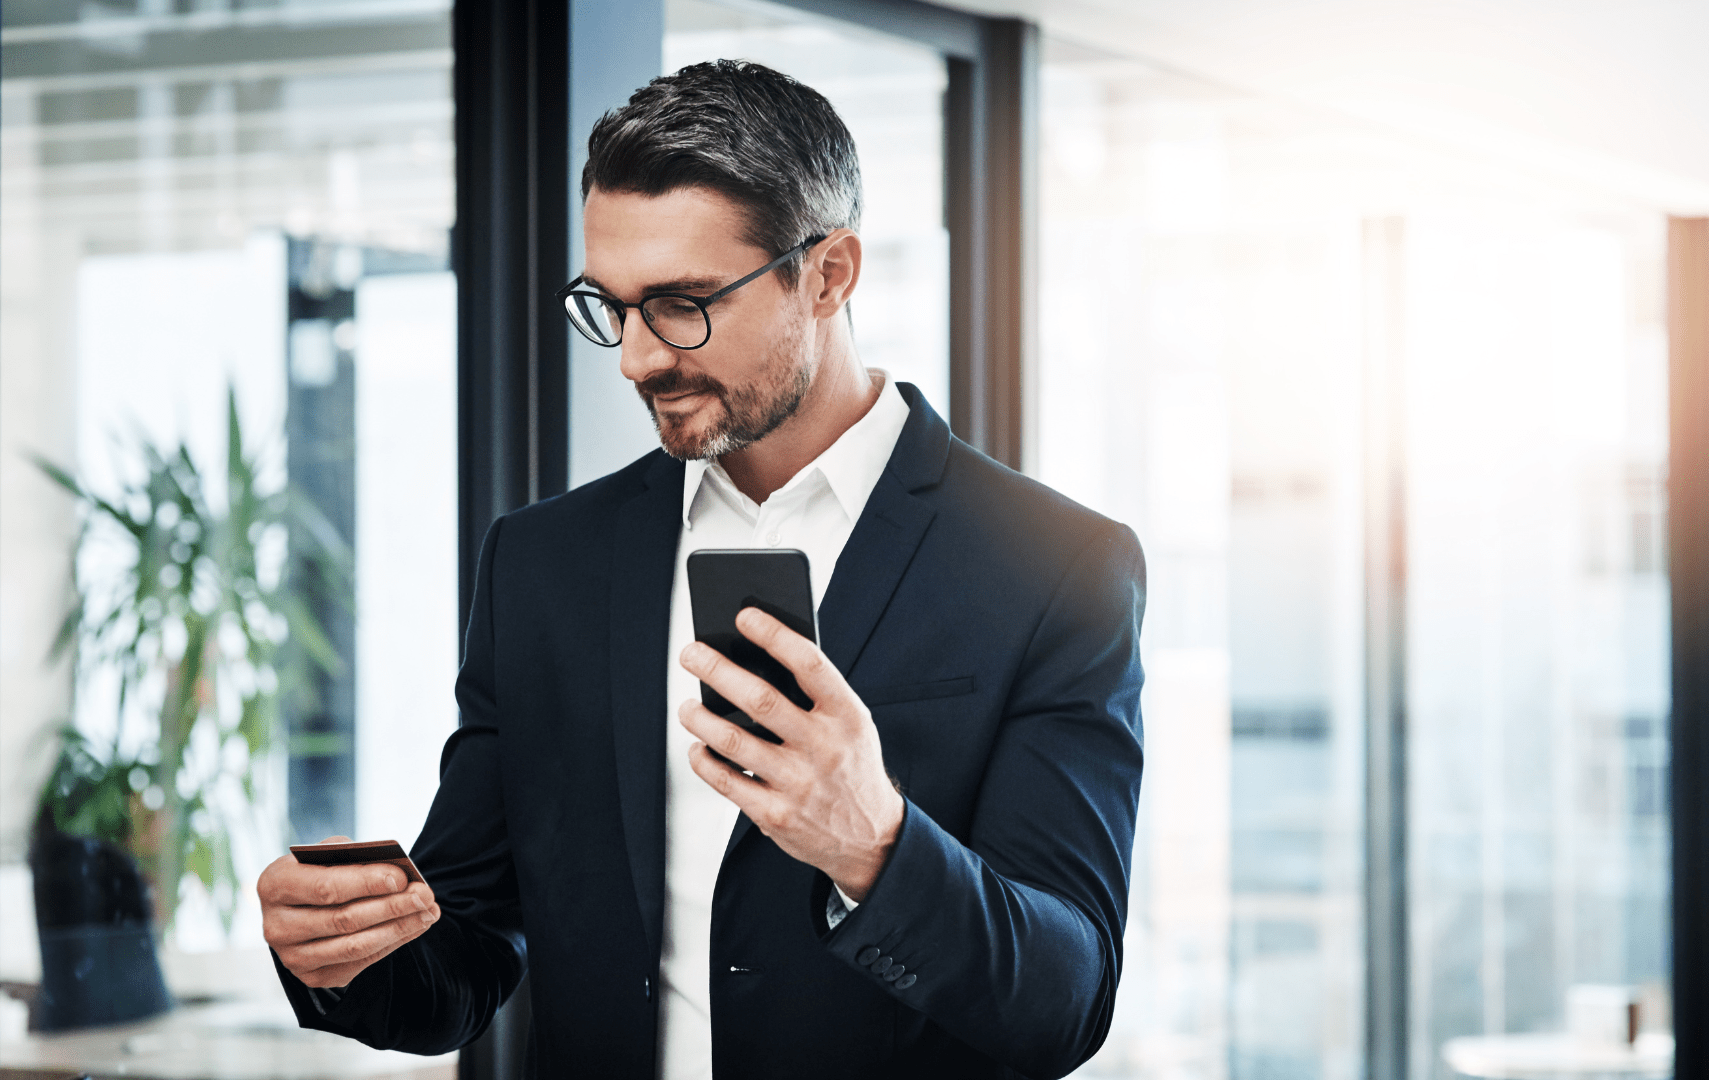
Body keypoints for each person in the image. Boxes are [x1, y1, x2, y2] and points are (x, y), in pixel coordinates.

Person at [256, 59, 1146, 1079]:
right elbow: (467, 949)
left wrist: (875, 844)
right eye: (612, 306)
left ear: (828, 275)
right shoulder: (541, 565)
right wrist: (344, 952)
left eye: (682, 304)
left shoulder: (1057, 567)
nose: (636, 359)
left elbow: (1063, 1005)